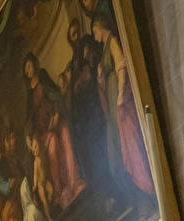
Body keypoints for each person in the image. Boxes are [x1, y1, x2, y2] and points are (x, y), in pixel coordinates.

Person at [94, 15, 154, 197]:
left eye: (94, 31)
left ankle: (145, 194)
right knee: (117, 153)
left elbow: (121, 66)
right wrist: (100, 77)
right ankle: (135, 197)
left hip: (120, 104)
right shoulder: (105, 48)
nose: (95, 36)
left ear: (100, 27)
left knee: (131, 147)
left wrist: (120, 95)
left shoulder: (112, 41)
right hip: (113, 107)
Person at [23, 52, 84, 211]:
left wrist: (57, 114)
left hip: (54, 123)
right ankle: (59, 192)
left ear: (34, 64)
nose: (28, 71)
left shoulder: (43, 77)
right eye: (26, 70)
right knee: (53, 143)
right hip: (43, 133)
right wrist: (29, 137)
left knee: (64, 133)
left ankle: (74, 183)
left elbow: (55, 97)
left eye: (29, 67)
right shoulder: (30, 94)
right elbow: (30, 122)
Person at [63, 16, 108, 194]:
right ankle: (103, 192)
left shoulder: (88, 46)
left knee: (101, 147)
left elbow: (91, 69)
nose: (76, 37)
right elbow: (73, 89)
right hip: (85, 115)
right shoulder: (73, 60)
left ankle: (112, 190)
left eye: (77, 32)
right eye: (73, 35)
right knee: (91, 154)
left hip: (95, 107)